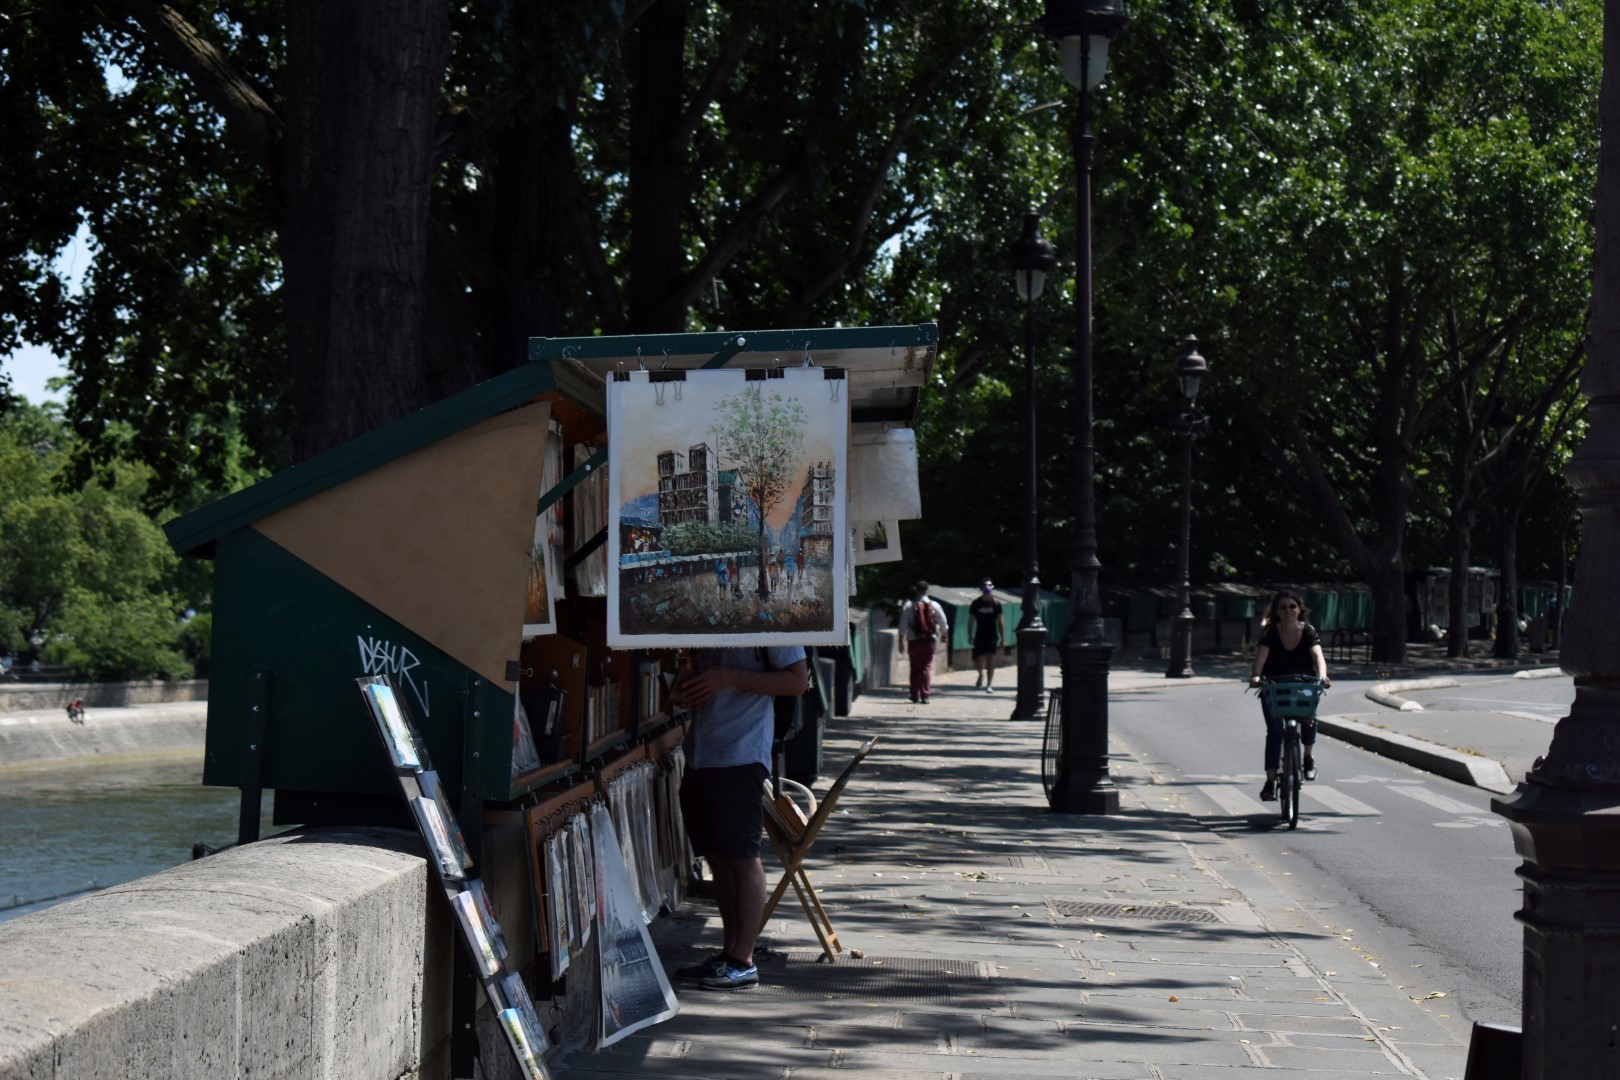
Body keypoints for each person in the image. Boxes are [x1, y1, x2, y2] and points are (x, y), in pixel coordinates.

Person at [672, 645, 808, 991]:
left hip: (742, 754)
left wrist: (729, 677)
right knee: (718, 858)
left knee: (743, 857)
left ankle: (743, 960)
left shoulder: (771, 625)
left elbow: (797, 681)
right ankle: (729, 953)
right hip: (701, 751)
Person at [1247, 591, 1331, 800]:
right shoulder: (1270, 632)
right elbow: (1261, 658)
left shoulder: (1308, 631)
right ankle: (1270, 781)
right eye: (1283, 607)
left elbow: (1318, 656)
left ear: (1299, 609)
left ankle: (1308, 757)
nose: (1288, 611)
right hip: (1274, 686)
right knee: (1275, 732)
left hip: (1303, 686)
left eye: (1292, 606)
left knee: (1309, 719)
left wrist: (1322, 676)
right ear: (1276, 611)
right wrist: (1256, 676)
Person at [899, 580, 949, 704]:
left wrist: (900, 641)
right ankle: (925, 695)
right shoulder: (935, 605)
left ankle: (914, 695)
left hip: (914, 641)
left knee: (915, 668)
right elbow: (944, 624)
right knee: (926, 667)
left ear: (916, 590)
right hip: (929, 641)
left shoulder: (908, 605)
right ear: (928, 591)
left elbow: (902, 625)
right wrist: (944, 636)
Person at [969, 580, 1004, 692]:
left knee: (991, 661)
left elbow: (1000, 622)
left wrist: (1003, 639)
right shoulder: (976, 603)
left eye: (989, 585)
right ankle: (980, 674)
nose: (987, 587)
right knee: (978, 660)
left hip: (992, 636)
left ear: (992, 587)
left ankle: (989, 684)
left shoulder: (996, 603)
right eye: (985, 585)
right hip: (980, 635)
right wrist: (969, 634)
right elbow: (971, 620)